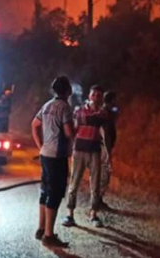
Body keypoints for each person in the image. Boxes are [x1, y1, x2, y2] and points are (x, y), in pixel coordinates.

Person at [31, 76, 76, 248]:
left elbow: (34, 124)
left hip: (45, 154)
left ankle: (41, 228)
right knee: (55, 193)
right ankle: (49, 235)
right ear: (67, 91)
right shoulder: (64, 107)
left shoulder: (47, 105)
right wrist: (77, 128)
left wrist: (40, 146)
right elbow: (68, 133)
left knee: (45, 190)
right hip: (57, 156)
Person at [62, 85, 105, 228]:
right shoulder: (80, 111)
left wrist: (88, 118)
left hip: (94, 150)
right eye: (94, 95)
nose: (96, 98)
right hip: (79, 150)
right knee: (74, 182)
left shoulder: (101, 113)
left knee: (95, 185)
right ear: (89, 96)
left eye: (99, 96)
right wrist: (91, 117)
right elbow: (82, 119)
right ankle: (70, 214)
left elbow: (89, 119)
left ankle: (93, 214)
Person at [99, 90, 118, 210]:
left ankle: (97, 200)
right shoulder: (105, 113)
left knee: (102, 173)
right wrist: (107, 150)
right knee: (104, 173)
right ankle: (97, 201)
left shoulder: (105, 112)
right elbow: (106, 132)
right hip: (104, 147)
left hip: (104, 146)